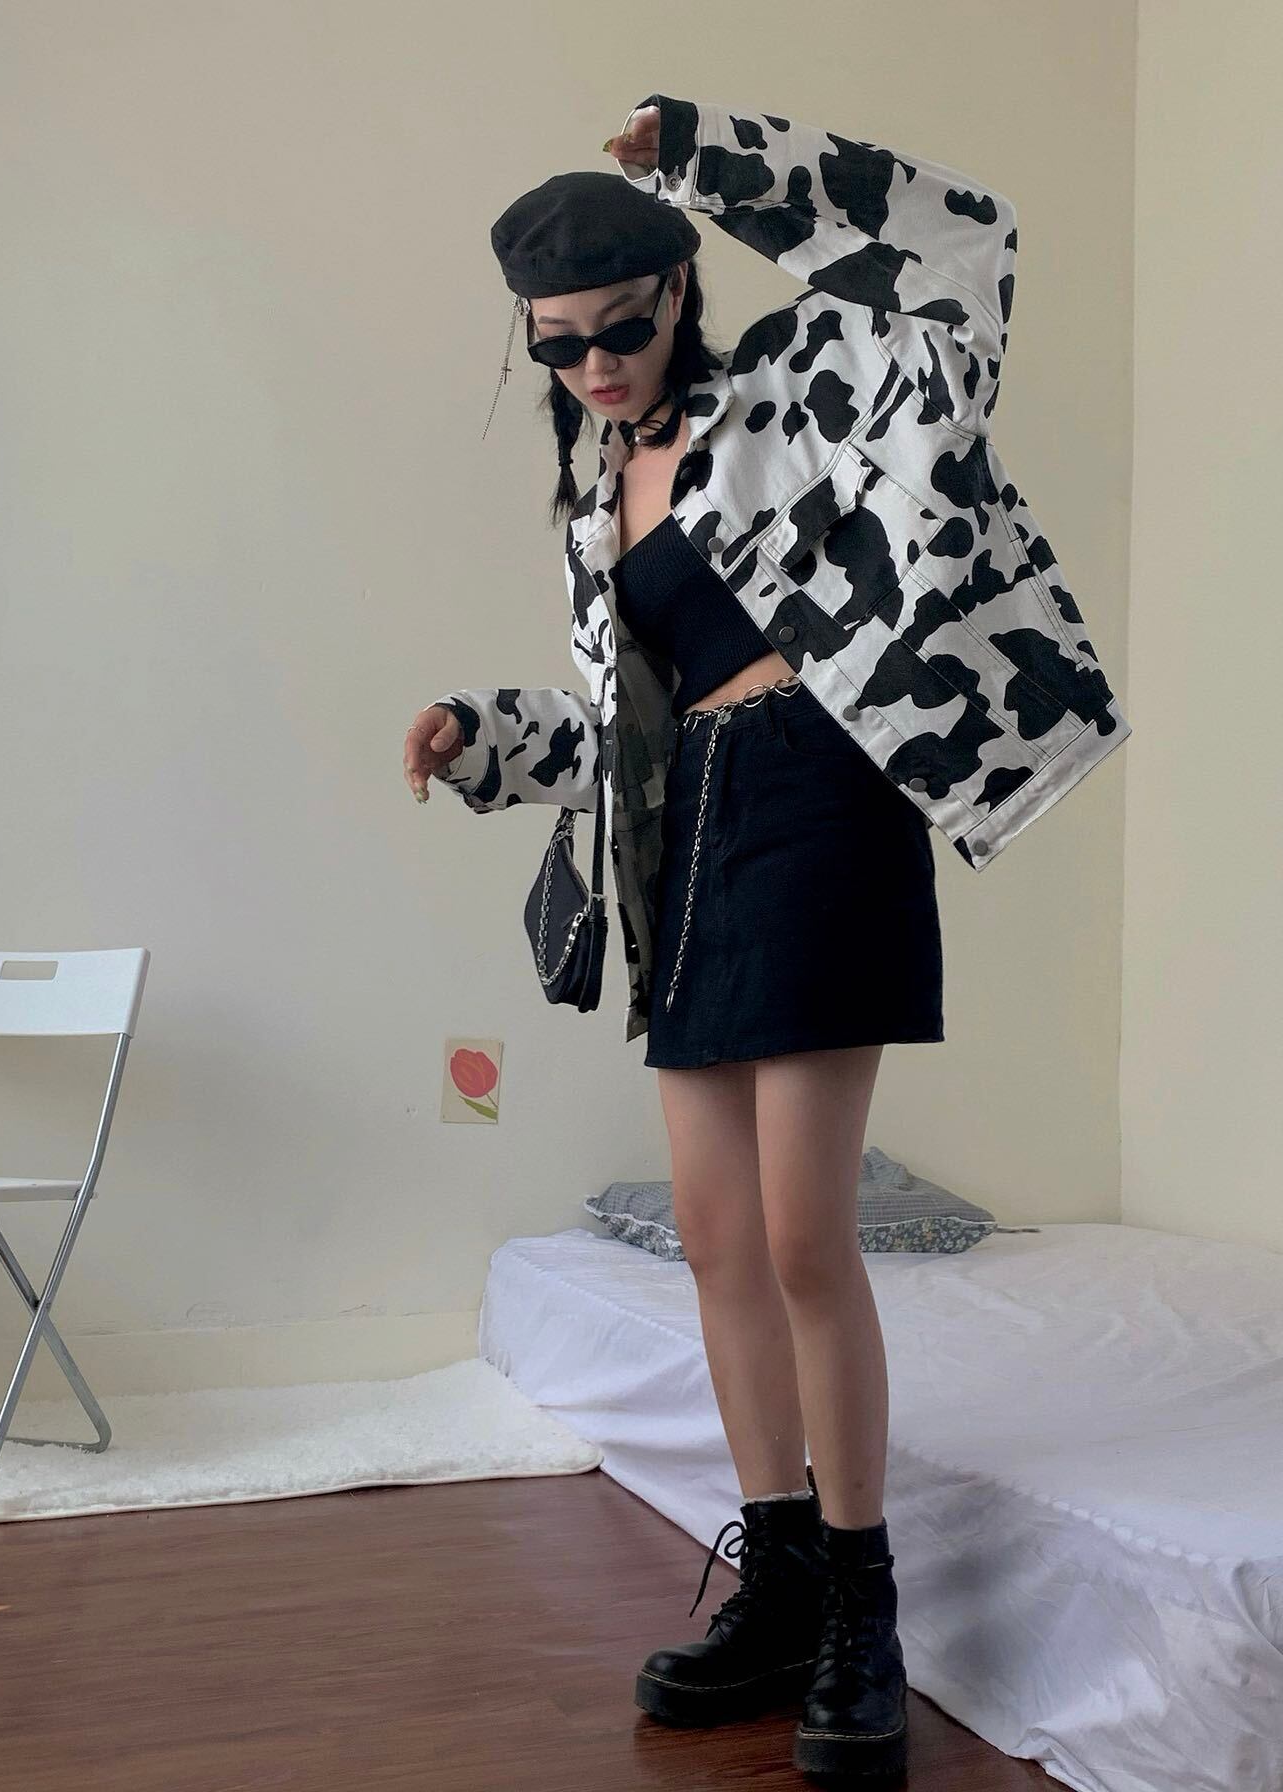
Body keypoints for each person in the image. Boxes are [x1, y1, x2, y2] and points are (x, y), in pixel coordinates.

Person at [402, 94, 1126, 1782]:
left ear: (679, 286)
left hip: (823, 795)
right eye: (557, 347)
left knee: (807, 1240)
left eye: (619, 328)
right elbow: (624, 732)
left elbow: (964, 247)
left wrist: (711, 155)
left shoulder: (813, 388)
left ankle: (865, 1603)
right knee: (721, 1243)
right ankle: (782, 1577)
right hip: (693, 843)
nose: (593, 367)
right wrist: (483, 735)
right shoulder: (597, 500)